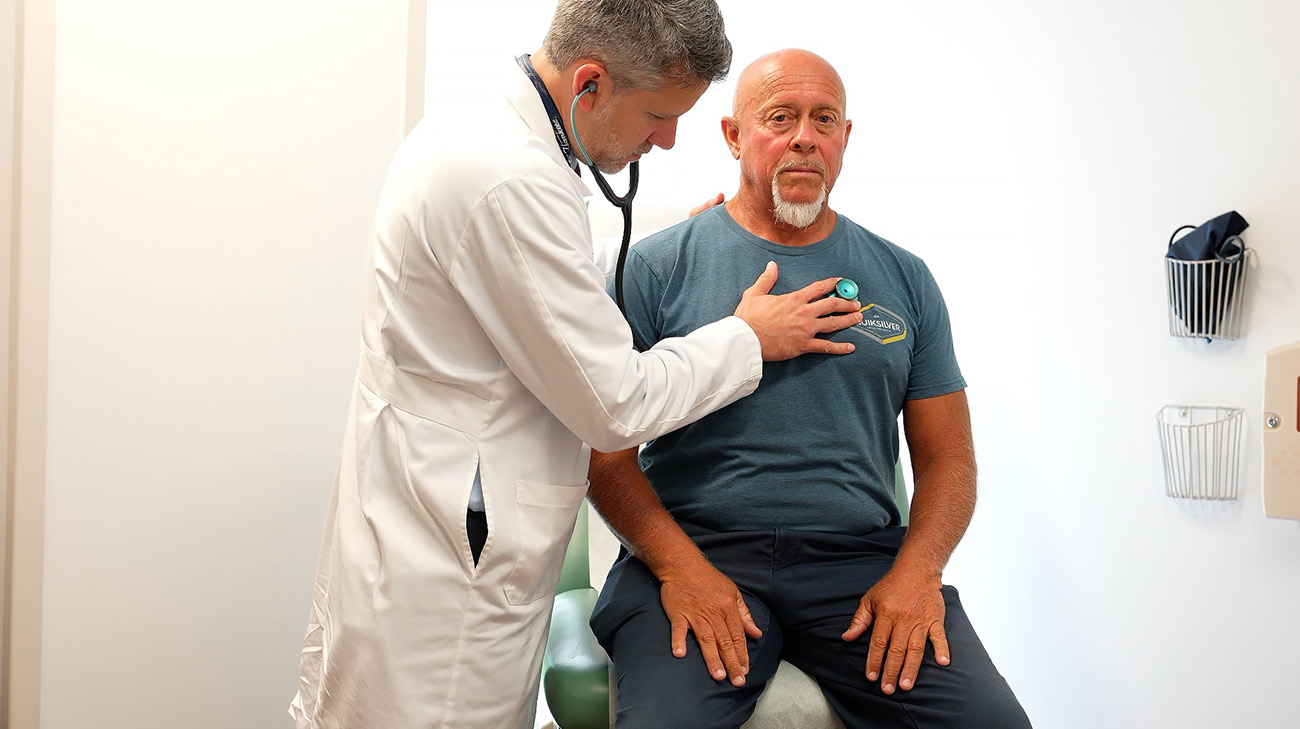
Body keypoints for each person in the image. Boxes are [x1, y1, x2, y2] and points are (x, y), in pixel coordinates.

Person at [288, 3, 868, 727]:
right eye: (658, 114)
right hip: (449, 549)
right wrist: (749, 337)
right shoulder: (507, 177)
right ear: (589, 83)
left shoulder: (498, 127)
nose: (666, 138)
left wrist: (654, 258)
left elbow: (528, 289)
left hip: (431, 503)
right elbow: (613, 402)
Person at [586, 49, 1032, 728]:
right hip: (698, 547)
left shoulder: (905, 278)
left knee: (992, 722)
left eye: (824, 119)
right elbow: (602, 452)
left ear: (845, 139)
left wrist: (919, 571)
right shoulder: (654, 267)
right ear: (735, 136)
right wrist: (681, 569)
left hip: (857, 563)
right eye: (780, 117)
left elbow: (949, 458)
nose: (805, 136)